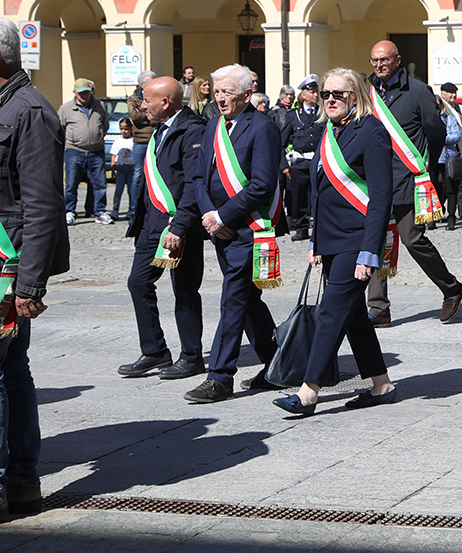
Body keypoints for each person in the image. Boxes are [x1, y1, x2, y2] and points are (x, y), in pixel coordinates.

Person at [274, 69, 397, 416]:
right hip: (331, 240)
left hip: (357, 240)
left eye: (338, 94)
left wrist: (370, 251)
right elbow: (320, 195)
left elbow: (380, 197)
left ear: (355, 97)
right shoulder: (328, 131)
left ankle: (308, 390)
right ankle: (382, 384)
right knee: (353, 315)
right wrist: (316, 242)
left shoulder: (370, 131)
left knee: (331, 311)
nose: (329, 99)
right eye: (325, 92)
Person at [0, 19, 71, 520]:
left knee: (8, 372)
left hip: (7, 261)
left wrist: (28, 282)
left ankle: (17, 479)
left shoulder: (30, 112)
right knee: (10, 371)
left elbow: (43, 206)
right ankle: (21, 479)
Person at [186, 64, 282, 403]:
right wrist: (211, 216)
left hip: (249, 230)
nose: (220, 97)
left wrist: (224, 215)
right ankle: (279, 362)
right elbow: (199, 178)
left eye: (227, 91)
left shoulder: (263, 128)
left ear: (245, 93)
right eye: (217, 91)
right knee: (249, 302)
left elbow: (262, 184)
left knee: (233, 301)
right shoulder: (213, 124)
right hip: (220, 230)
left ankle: (220, 376)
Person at [367, 39, 462, 327]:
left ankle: (451, 288)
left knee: (412, 239)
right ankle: (378, 307)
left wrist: (422, 170)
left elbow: (434, 134)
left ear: (398, 60)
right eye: (374, 61)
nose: (379, 65)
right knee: (376, 239)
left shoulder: (418, 91)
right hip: (375, 180)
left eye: (384, 60)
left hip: (408, 179)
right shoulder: (369, 91)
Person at [119, 76, 208, 381]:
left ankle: (191, 356)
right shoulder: (161, 129)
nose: (142, 106)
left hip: (178, 227)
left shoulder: (191, 130)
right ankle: (155, 350)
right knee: (138, 282)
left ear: (165, 103)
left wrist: (180, 226)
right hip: (151, 227)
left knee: (183, 289)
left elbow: (193, 185)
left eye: (146, 100)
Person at [59, 78, 110, 225]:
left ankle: (99, 211)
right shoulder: (66, 108)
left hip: (96, 150)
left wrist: (97, 137)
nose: (85, 95)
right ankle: (69, 211)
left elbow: (104, 125)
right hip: (74, 150)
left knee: (99, 184)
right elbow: (60, 128)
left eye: (87, 92)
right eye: (81, 93)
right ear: (74, 92)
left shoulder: (100, 106)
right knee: (71, 184)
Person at [280, 75, 320, 242]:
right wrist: (284, 166)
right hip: (299, 163)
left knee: (318, 197)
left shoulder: (323, 113)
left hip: (318, 163)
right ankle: (301, 228)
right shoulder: (293, 115)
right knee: (298, 198)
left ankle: (319, 228)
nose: (315, 95)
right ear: (304, 95)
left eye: (317, 92)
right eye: (312, 92)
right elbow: (280, 142)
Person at [440, 82, 462, 225]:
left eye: (455, 92)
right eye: (450, 92)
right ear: (443, 93)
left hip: (460, 150)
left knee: (461, 181)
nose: (453, 95)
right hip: (447, 153)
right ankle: (442, 212)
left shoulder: (456, 107)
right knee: (446, 186)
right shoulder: (441, 107)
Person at [434, 94, 462, 231]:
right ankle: (434, 216)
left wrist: (441, 139)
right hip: (433, 158)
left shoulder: (449, 119)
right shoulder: (429, 120)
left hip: (447, 157)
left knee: (450, 189)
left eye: (437, 104)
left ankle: (451, 216)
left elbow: (456, 136)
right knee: (434, 189)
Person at [127, 70, 156, 211]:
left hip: (155, 139)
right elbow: (134, 116)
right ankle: (134, 209)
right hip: (140, 141)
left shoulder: (156, 96)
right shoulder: (133, 99)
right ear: (141, 84)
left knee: (155, 174)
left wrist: (143, 114)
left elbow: (158, 115)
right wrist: (149, 116)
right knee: (138, 175)